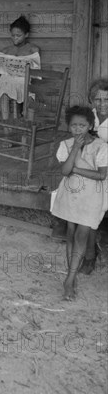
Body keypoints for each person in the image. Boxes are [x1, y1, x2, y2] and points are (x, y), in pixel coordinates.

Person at [50, 106, 108, 300]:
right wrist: (75, 148)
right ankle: (71, 277)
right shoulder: (66, 145)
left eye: (82, 125)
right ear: (69, 127)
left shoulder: (101, 146)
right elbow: (64, 171)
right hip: (71, 195)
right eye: (74, 125)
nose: (78, 129)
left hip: (91, 197)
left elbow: (101, 175)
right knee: (71, 233)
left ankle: (69, 279)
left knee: (82, 235)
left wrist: (76, 170)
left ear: (90, 125)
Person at [79, 78, 108, 273]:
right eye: (98, 99)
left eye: (106, 99)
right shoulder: (89, 119)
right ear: (91, 101)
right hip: (94, 168)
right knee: (87, 206)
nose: (102, 103)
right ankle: (89, 256)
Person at [0, 16, 40, 123]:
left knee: (30, 96)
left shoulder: (33, 49)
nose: (15, 38)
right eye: (13, 35)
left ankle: (28, 126)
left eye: (18, 35)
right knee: (4, 90)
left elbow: (36, 71)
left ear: (26, 35)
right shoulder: (6, 50)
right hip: (7, 81)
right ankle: (6, 126)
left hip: (24, 81)